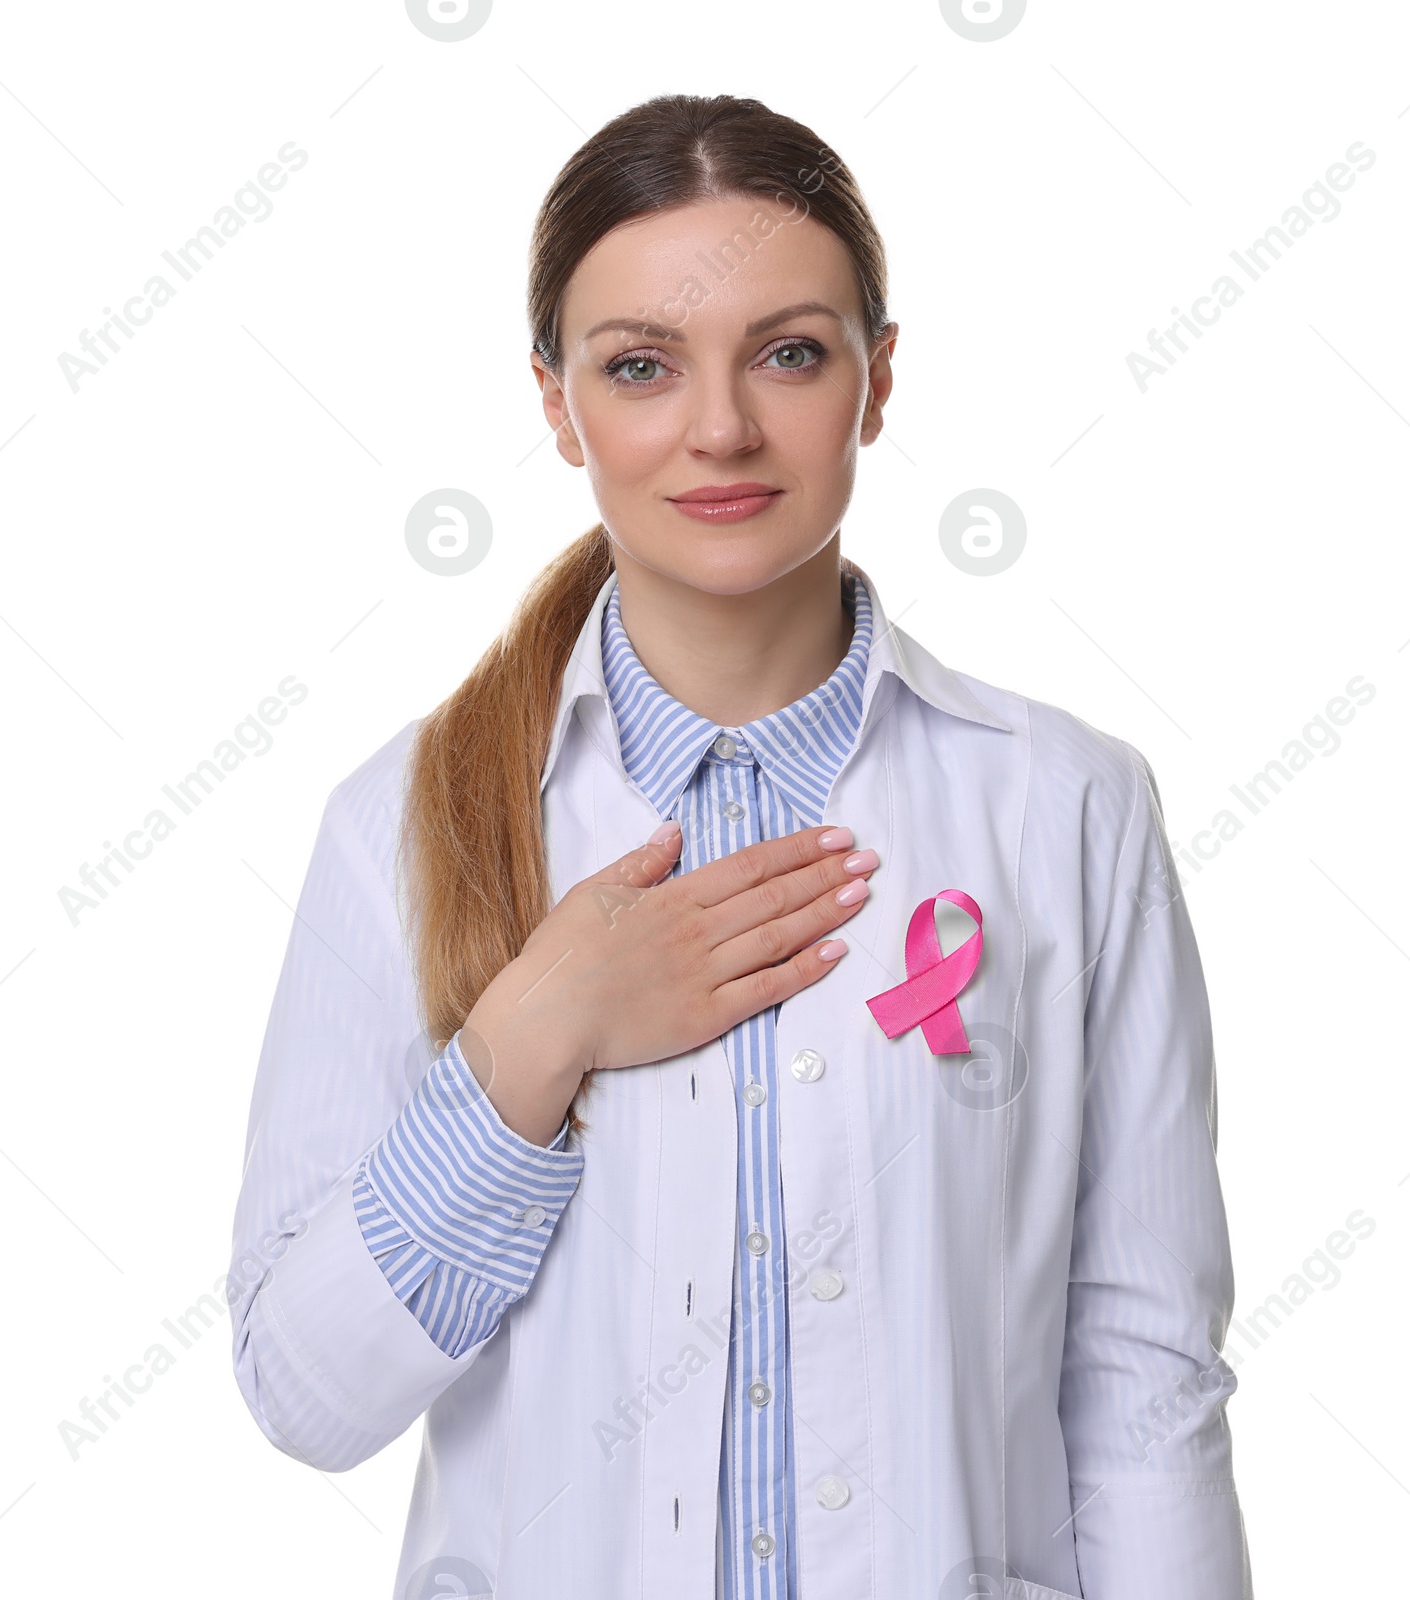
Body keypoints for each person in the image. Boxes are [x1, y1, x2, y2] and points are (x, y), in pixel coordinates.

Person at [227, 92, 1252, 1599]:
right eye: (640, 366)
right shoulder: (407, 820)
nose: (720, 428)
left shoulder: (1065, 808)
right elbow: (303, 1394)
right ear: (558, 403)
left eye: (789, 353)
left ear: (877, 380)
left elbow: (1141, 1372)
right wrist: (536, 1036)